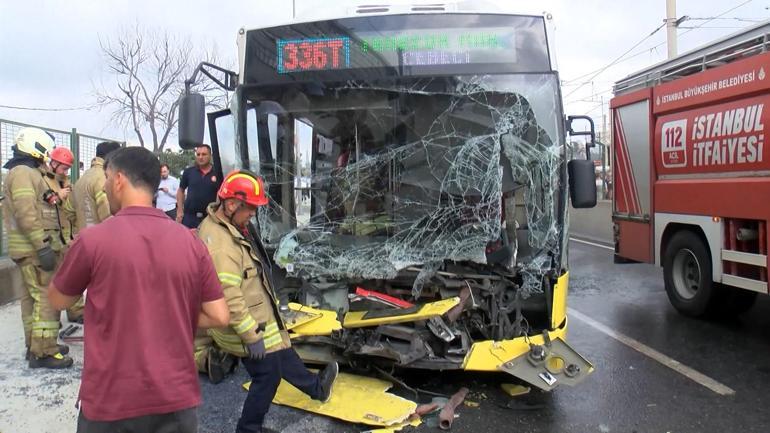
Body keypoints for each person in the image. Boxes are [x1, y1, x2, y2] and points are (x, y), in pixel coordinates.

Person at [48, 146, 230, 432]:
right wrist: (170, 315)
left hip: (111, 401)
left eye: (107, 178)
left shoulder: (93, 240)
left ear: (119, 179)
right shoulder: (190, 241)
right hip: (175, 400)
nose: (105, 187)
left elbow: (58, 299)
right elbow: (220, 315)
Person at [195, 169, 338, 433]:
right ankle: (248, 429)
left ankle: (316, 388)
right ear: (230, 204)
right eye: (250, 208)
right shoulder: (221, 245)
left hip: (258, 316)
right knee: (267, 375)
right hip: (246, 325)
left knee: (281, 350)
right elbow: (230, 296)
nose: (253, 214)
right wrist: (251, 336)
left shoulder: (230, 227)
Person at [2, 128, 73, 369]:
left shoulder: (26, 172)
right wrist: (42, 246)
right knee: (45, 297)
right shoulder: (23, 173)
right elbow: (26, 212)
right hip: (35, 250)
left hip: (29, 249)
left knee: (30, 299)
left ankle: (35, 346)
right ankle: (44, 352)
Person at [43, 147, 84, 324]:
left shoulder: (66, 182)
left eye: (67, 169)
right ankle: (53, 317)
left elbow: (71, 210)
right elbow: (42, 206)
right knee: (52, 279)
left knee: (72, 275)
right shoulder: (43, 180)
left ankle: (76, 311)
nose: (65, 172)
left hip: (67, 236)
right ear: (53, 163)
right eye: (64, 168)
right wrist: (58, 196)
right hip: (50, 238)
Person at [71, 141, 121, 235]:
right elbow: (107, 215)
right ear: (112, 158)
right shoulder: (104, 178)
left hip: (82, 237)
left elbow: (69, 210)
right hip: (101, 239)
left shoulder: (81, 179)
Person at [177, 144, 221, 229]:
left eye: (204, 154)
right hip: (189, 218)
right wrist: (179, 211)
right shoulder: (189, 172)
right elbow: (181, 191)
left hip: (209, 218)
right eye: (198, 154)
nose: (200, 157)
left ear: (210, 156)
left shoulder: (218, 173)